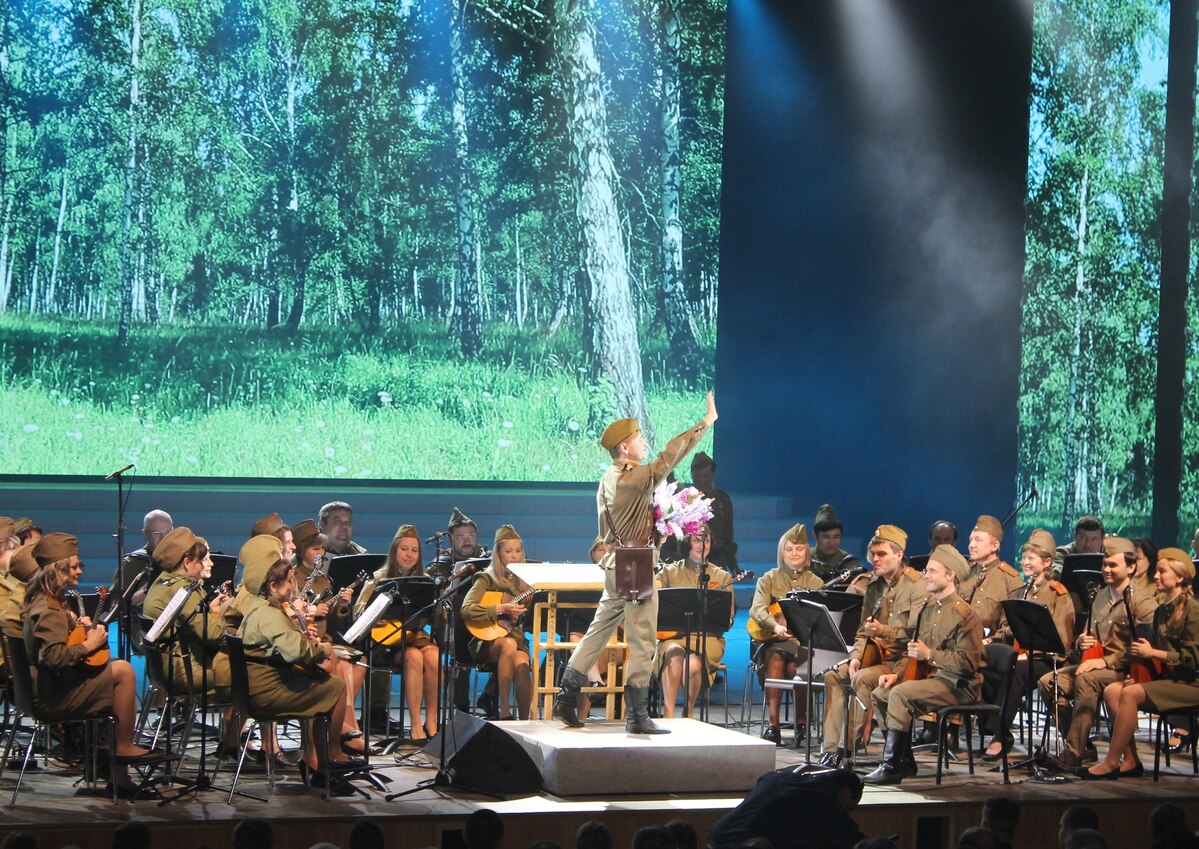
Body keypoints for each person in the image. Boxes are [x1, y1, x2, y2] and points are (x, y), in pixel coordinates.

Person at [553, 392, 717, 733]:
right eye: (639, 439)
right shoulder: (635, 478)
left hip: (616, 562)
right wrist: (704, 423)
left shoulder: (608, 480)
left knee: (599, 629)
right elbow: (669, 458)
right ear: (624, 448)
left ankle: (565, 697)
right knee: (643, 638)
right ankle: (637, 715)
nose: (644, 443)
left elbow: (609, 528)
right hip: (636, 564)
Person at [21, 533, 157, 795]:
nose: (80, 571)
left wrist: (75, 627)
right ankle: (123, 748)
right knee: (123, 671)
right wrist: (89, 644)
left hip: (50, 688)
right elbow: (53, 658)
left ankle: (116, 772)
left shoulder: (45, 602)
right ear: (57, 570)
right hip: (53, 696)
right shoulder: (48, 610)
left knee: (115, 668)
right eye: (74, 566)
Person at [237, 558, 363, 795]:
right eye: (289, 581)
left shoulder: (257, 607)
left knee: (323, 684)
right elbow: (298, 651)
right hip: (267, 693)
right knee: (335, 687)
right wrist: (322, 649)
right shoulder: (270, 615)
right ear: (273, 587)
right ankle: (330, 757)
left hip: (255, 688)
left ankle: (316, 762)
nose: (293, 586)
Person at [864, 544, 983, 785]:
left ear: (950, 576)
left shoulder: (965, 615)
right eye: (926, 570)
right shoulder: (928, 609)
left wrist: (930, 655)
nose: (925, 575)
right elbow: (913, 651)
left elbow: (968, 663)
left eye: (932, 571)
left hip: (959, 684)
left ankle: (891, 766)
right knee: (880, 694)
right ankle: (905, 761)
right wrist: (897, 674)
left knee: (899, 695)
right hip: (934, 680)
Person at [1038, 536, 1158, 769]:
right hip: (1095, 664)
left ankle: (1073, 753)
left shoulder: (1142, 602)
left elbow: (1142, 648)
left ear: (1131, 567)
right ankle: (1083, 745)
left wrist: (1104, 662)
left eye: (1113, 565)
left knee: (1087, 679)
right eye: (1105, 565)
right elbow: (1087, 636)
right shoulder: (1100, 596)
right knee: (1049, 682)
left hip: (1125, 670)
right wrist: (1081, 643)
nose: (1106, 570)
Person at [1083, 547, 1199, 779]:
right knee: (1114, 691)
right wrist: (1139, 673)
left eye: (1162, 572)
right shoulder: (1162, 610)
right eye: (1156, 571)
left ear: (1179, 577)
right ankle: (1131, 760)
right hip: (1167, 680)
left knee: (1130, 694)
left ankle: (1112, 761)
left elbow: (1192, 659)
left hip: (1191, 683)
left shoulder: (1193, 610)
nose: (1155, 576)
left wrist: (1152, 653)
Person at [818, 525, 926, 768]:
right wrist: (856, 655)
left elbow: (917, 632)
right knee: (834, 676)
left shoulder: (916, 585)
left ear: (899, 555)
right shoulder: (873, 585)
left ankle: (846, 750)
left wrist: (883, 631)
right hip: (874, 656)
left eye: (882, 554)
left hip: (903, 662)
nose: (875, 559)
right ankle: (830, 749)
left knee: (863, 679)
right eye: (873, 554)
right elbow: (862, 631)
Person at [142, 527, 240, 750]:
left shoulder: (163, 582)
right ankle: (235, 744)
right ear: (187, 563)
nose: (209, 565)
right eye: (202, 560)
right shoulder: (184, 588)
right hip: (183, 673)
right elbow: (213, 635)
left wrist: (210, 611)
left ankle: (232, 741)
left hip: (162, 670)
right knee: (249, 675)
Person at [979, 529, 1074, 761]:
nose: (1025, 562)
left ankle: (1000, 735)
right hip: (1019, 655)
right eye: (1024, 558)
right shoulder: (1022, 591)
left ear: (1047, 562)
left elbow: (1061, 641)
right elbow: (1008, 630)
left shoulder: (1057, 594)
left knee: (1016, 670)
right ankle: (988, 726)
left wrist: (1030, 654)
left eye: (1031, 558)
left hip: (1046, 661)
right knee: (984, 667)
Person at [356, 524, 440, 742]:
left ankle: (431, 721)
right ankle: (414, 726)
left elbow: (433, 617)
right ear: (394, 551)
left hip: (414, 638)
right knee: (413, 656)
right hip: (385, 645)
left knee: (433, 654)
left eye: (414, 550)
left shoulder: (425, 580)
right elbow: (360, 611)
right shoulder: (378, 578)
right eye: (404, 549)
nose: (409, 554)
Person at [749, 523, 823, 745]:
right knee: (776, 658)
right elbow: (757, 609)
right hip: (774, 641)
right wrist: (774, 626)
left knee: (796, 666)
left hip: (803, 644)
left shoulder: (815, 583)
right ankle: (773, 726)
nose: (794, 553)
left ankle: (801, 724)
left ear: (807, 552)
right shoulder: (769, 578)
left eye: (799, 549)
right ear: (781, 552)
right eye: (789, 549)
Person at [653, 532, 734, 718]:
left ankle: (688, 713)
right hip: (675, 636)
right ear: (686, 543)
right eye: (697, 540)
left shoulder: (722, 577)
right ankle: (669, 713)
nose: (702, 545)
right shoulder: (668, 572)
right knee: (674, 654)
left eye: (706, 541)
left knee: (693, 664)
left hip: (707, 639)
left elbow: (726, 618)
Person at [461, 525, 534, 720]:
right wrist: (500, 609)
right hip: (486, 642)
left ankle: (526, 722)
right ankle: (504, 712)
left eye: (518, 551)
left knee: (522, 664)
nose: (514, 556)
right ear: (498, 553)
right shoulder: (486, 578)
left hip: (516, 639)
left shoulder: (526, 583)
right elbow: (467, 608)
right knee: (508, 645)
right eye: (508, 551)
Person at [707, 768, 865, 849]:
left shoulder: (777, 776)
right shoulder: (826, 800)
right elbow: (856, 842)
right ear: (845, 792)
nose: (845, 813)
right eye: (847, 809)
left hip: (716, 836)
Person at [688, 452, 738, 573]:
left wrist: (734, 566)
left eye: (705, 476)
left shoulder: (722, 500)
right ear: (691, 475)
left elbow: (727, 536)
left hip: (716, 561)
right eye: (697, 476)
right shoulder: (684, 498)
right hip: (688, 562)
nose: (701, 480)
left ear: (713, 475)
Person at [810, 504, 861, 581]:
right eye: (826, 537)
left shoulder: (850, 563)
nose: (831, 543)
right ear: (815, 535)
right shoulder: (802, 560)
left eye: (836, 537)